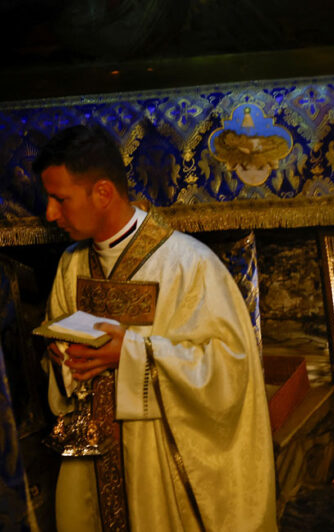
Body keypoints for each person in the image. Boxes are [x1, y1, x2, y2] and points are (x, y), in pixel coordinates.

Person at [33, 124, 276, 531]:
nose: (50, 214)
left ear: (103, 193)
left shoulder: (189, 266)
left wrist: (132, 353)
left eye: (60, 199)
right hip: (89, 457)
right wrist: (62, 358)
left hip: (156, 465)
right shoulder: (71, 265)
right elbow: (57, 347)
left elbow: (229, 372)